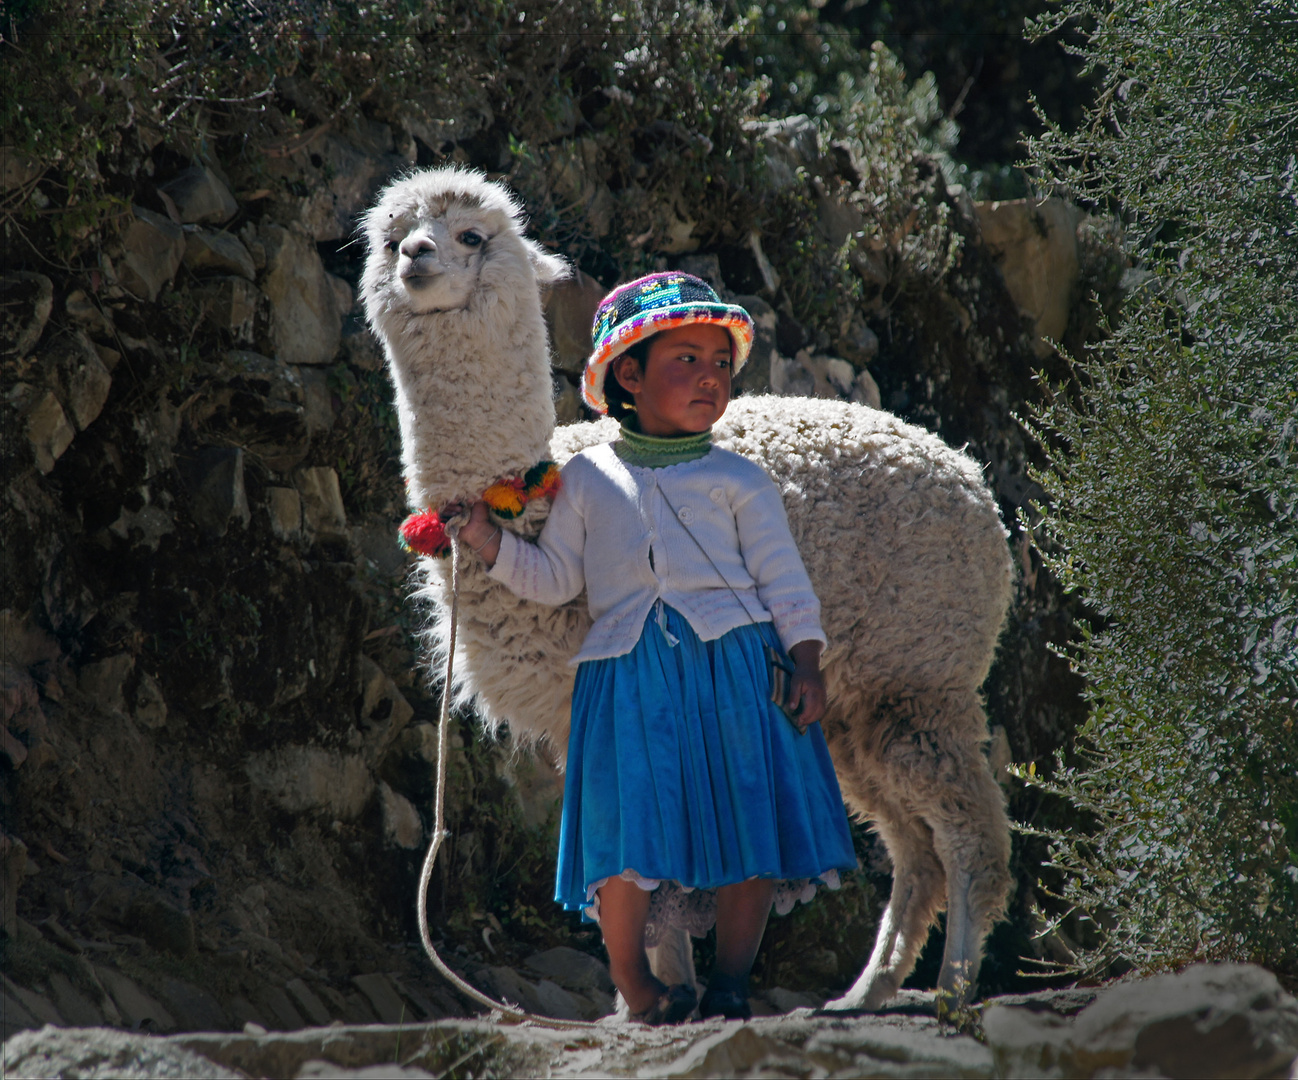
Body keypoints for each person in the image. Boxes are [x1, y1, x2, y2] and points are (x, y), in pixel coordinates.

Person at [454, 272, 857, 1024]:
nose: (710, 377)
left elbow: (784, 582)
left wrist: (805, 660)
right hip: (628, 674)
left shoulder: (740, 479)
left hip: (737, 671)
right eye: (687, 360)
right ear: (628, 375)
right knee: (626, 828)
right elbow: (553, 579)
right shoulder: (586, 478)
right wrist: (484, 541)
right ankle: (636, 983)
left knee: (748, 823)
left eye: (719, 363)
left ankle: (732, 982)